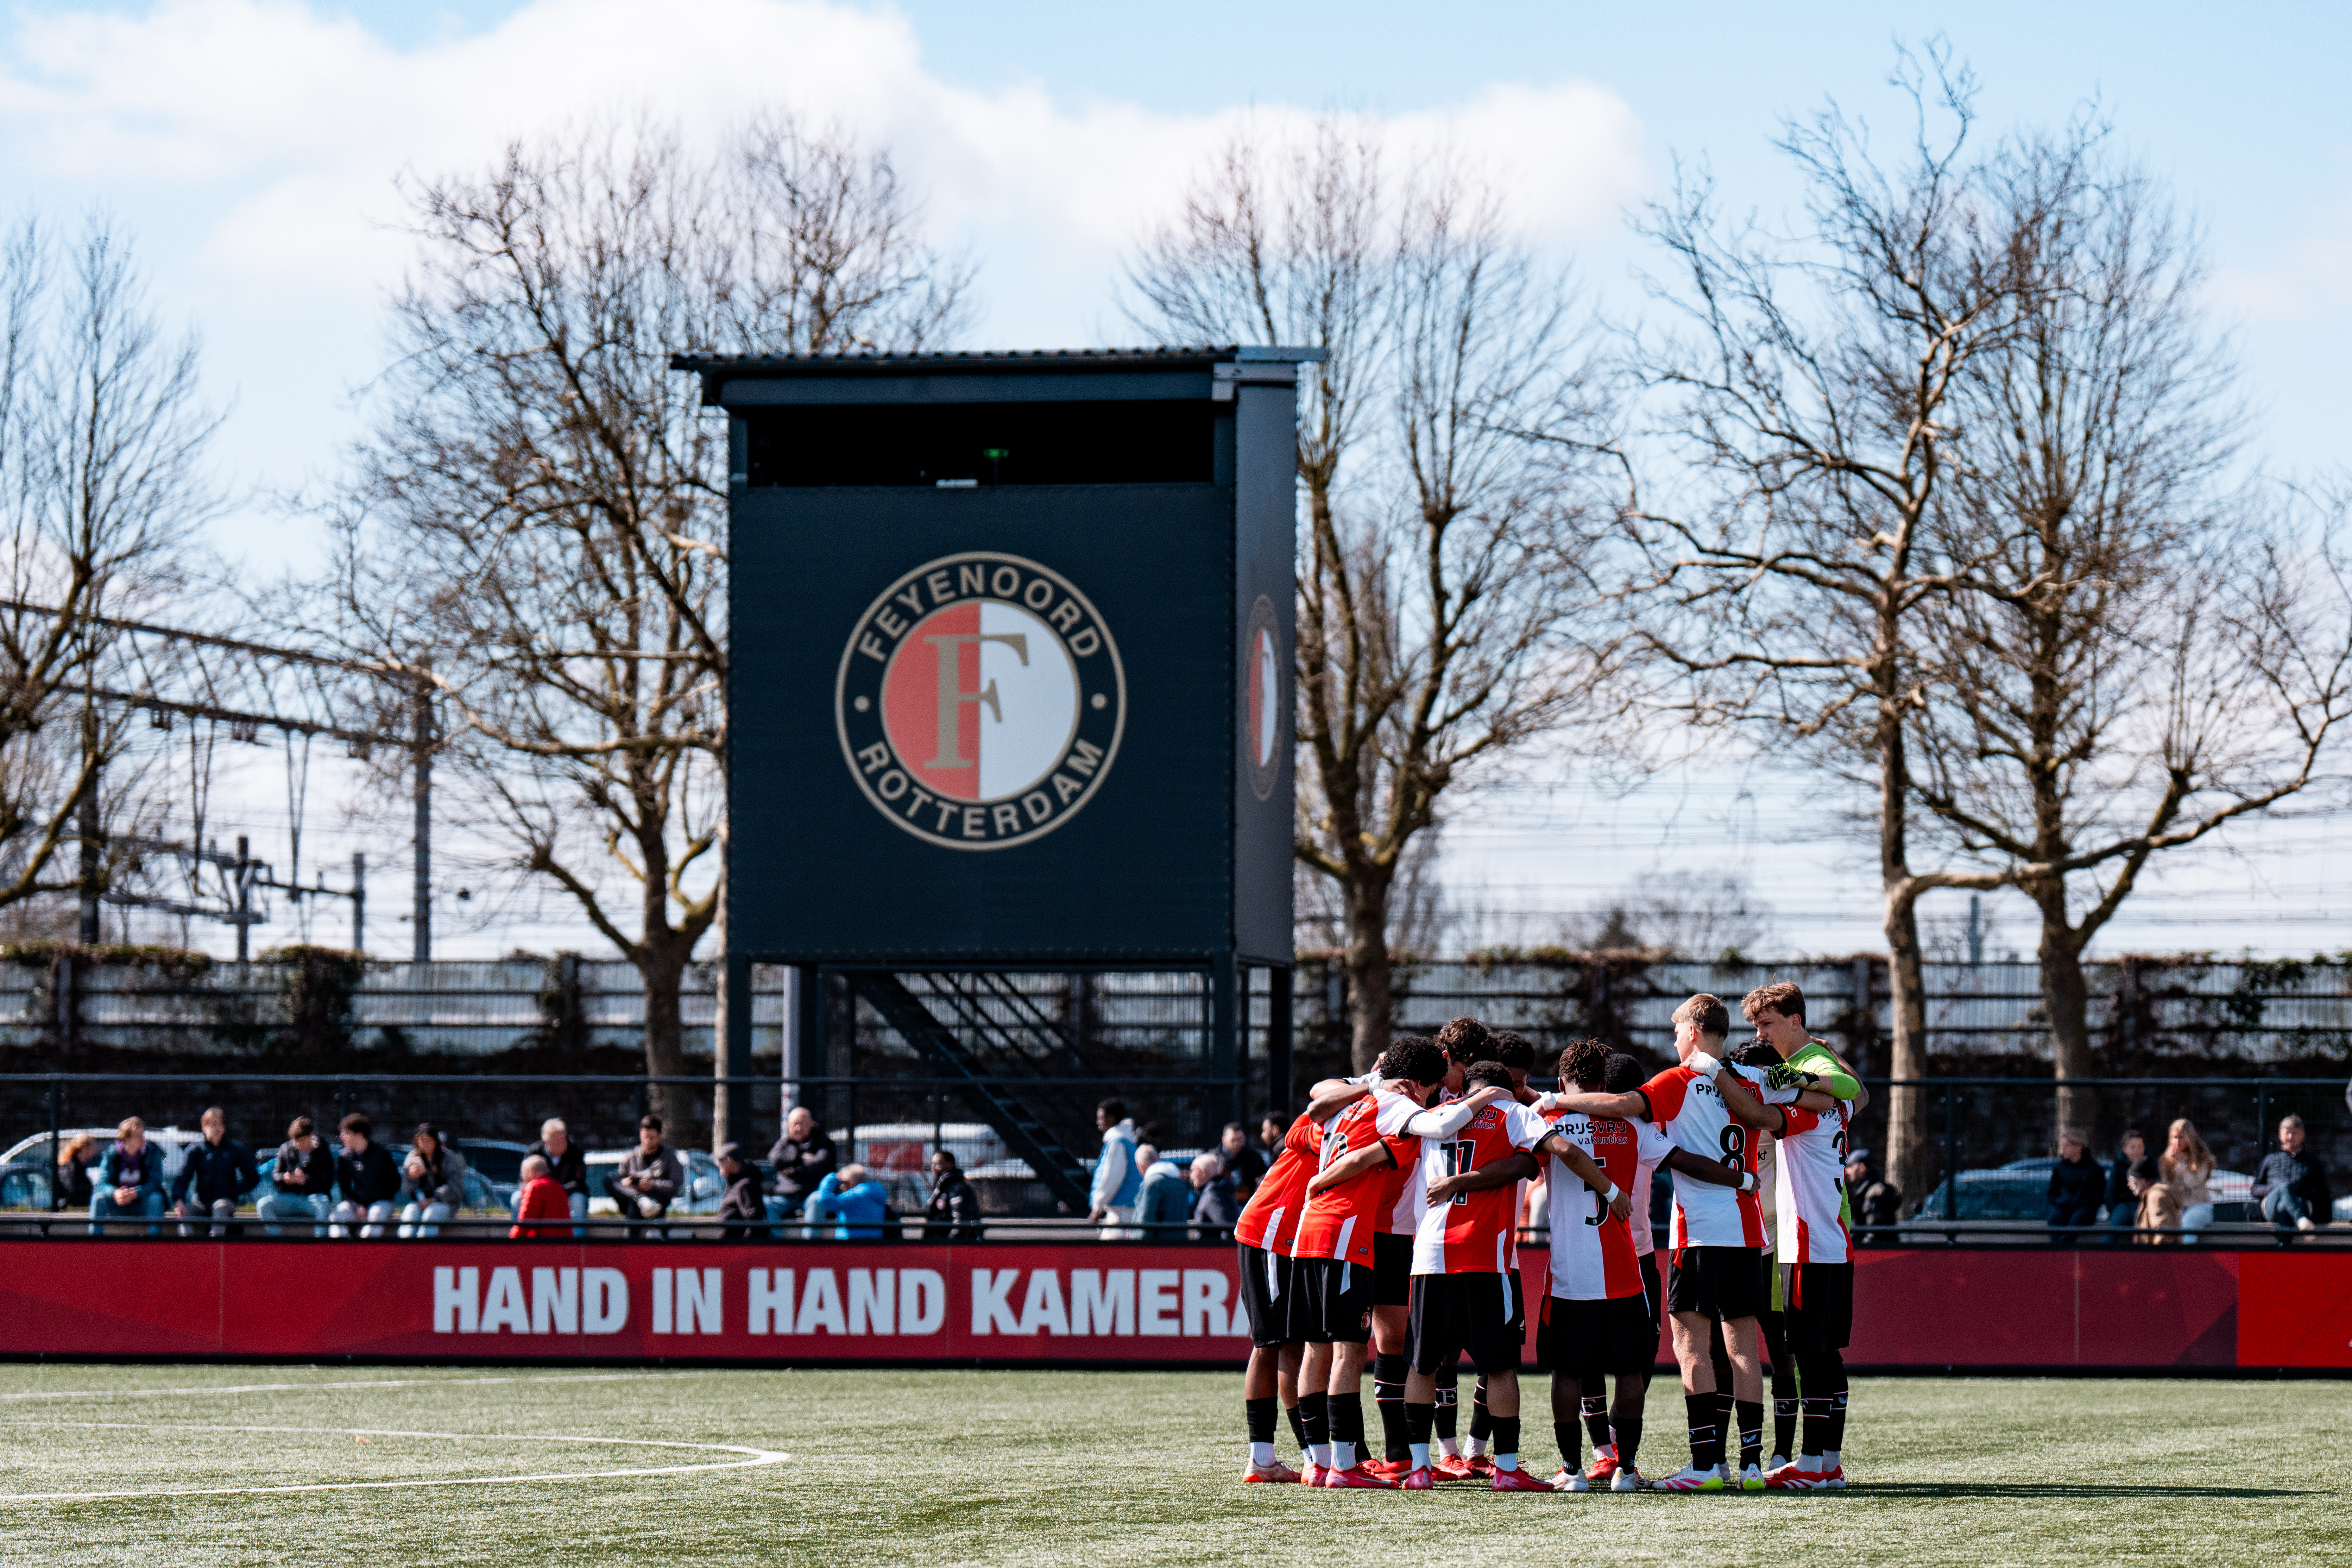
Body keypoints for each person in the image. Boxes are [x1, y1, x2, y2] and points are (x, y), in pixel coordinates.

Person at [1544, 993, 1826, 1491]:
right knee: (1743, 1347)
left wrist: (1556, 1099)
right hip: (1747, 1230)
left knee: (1690, 1345)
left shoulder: (1677, 1080)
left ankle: (1703, 1467)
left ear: (1693, 1031)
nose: (1673, 1039)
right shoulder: (1749, 1077)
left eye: (1675, 1030)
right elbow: (1833, 1098)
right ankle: (1752, 1464)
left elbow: (1618, 1104)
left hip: (1696, 1231)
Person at [1377, 1058, 1631, 1492]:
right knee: (1498, 1367)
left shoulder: (1431, 1116)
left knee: (1422, 1363)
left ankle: (1419, 1468)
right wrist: (1609, 1190)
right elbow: (1553, 1155)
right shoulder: (1512, 1113)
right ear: (1501, 1089)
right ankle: (1508, 1470)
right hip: (1483, 1256)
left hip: (1429, 1256)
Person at [1534, 1039, 1760, 1492]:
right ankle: (1627, 1470)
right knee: (1630, 1371)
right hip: (1625, 1270)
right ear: (1603, 1084)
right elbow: (1687, 1162)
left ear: (1564, 1085)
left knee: (1567, 1371)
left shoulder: (1546, 1123)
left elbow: (1522, 1163)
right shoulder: (1633, 1130)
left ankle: (1573, 1470)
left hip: (1567, 1275)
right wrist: (1742, 1178)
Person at [1285, 1037, 1457, 1489]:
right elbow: (1424, 1133)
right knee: (1350, 1350)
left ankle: (1317, 1462)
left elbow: (1312, 1112)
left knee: (1319, 1349)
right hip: (1346, 1236)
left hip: (1313, 1232)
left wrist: (1366, 1083)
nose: (1433, 1096)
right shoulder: (1399, 1108)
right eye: (1432, 1088)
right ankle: (1343, 1466)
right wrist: (1490, 1100)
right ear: (1416, 1083)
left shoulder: (1349, 1103)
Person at [170, 1106, 260, 1238]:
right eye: (213, 1125)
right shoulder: (196, 1150)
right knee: (185, 1213)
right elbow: (183, 1177)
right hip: (201, 1203)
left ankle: (214, 1249)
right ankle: (186, 1250)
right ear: (204, 1128)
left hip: (226, 1202)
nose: (217, 1129)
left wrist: (234, 1191)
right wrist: (179, 1201)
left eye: (221, 1125)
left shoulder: (235, 1149)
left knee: (220, 1207)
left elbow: (253, 1177)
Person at [2252, 1115, 2332, 1233]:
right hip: (2272, 1205)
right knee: (2284, 1187)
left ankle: (2284, 1247)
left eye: (2295, 1133)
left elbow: (2324, 1195)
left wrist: (2298, 1191)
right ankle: (2300, 1220)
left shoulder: (2313, 1162)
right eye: (2287, 1133)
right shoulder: (2270, 1160)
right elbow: (2255, 1190)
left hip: (2302, 1204)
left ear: (2303, 1135)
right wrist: (2276, 1189)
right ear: (2280, 1134)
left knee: (2284, 1208)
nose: (2290, 1137)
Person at [88, 1117, 168, 1235]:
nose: (143, 1139)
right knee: (98, 1199)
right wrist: (115, 1193)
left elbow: (156, 1182)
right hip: (119, 1205)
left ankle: (154, 1245)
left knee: (156, 1198)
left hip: (142, 1205)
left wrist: (136, 1192)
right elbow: (102, 1184)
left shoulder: (152, 1153)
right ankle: (94, 1246)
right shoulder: (112, 1155)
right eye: (138, 1136)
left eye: (143, 1135)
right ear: (126, 1139)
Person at [258, 1116, 336, 1235]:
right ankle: (277, 1243)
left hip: (313, 1200)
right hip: (289, 1198)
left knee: (324, 1204)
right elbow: (275, 1176)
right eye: (295, 1140)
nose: (297, 1144)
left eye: (301, 1140)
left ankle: (319, 1244)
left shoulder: (323, 1152)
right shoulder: (285, 1148)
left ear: (311, 1135)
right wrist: (285, 1178)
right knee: (263, 1204)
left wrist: (305, 1181)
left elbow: (326, 1184)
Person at [605, 1115, 683, 1232]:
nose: (648, 1141)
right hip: (633, 1196)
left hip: (656, 1201)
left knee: (634, 1207)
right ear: (640, 1133)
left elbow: (675, 1185)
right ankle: (640, 1199)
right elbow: (620, 1180)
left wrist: (652, 1185)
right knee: (609, 1180)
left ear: (660, 1135)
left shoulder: (670, 1157)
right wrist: (630, 1183)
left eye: (652, 1137)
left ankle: (632, 1247)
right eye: (645, 1137)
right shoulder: (631, 1157)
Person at [330, 1114, 402, 1238]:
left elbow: (395, 1184)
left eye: (346, 1133)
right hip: (356, 1205)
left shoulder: (382, 1155)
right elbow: (345, 1190)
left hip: (381, 1203)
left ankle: (364, 1256)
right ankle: (339, 1255)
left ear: (360, 1135)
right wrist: (357, 1206)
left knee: (373, 1222)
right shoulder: (344, 1158)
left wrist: (370, 1202)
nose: (342, 1137)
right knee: (337, 1216)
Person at [767, 1107, 837, 1230]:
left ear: (811, 1124)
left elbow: (821, 1164)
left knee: (817, 1200)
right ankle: (776, 1247)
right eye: (793, 1125)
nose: (797, 1128)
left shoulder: (824, 1143)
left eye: (800, 1124)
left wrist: (794, 1169)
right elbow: (774, 1159)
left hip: (811, 1193)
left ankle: (810, 1247)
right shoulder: (784, 1143)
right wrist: (801, 1159)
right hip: (785, 1196)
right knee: (767, 1204)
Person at [396, 1122, 470, 1238]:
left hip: (445, 1204)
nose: (424, 1144)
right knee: (410, 1214)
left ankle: (424, 1254)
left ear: (436, 1141)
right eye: (421, 1140)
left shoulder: (448, 1158)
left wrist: (435, 1198)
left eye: (428, 1140)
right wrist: (412, 1178)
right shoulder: (413, 1158)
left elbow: (456, 1188)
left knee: (430, 1216)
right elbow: (405, 1189)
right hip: (420, 1204)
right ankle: (405, 1252)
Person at [1086, 1098, 1142, 1237]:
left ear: (1111, 1119)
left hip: (1120, 1215)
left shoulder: (1117, 1144)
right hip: (1129, 1211)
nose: (1098, 1122)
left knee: (1111, 1256)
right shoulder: (1127, 1142)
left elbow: (1111, 1179)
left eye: (1101, 1118)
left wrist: (1097, 1208)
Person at [518, 1119, 590, 1226]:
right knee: (517, 1198)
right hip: (539, 1195)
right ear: (546, 1141)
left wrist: (556, 1191)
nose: (561, 1144)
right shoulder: (534, 1152)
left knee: (578, 1200)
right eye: (556, 1142)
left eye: (563, 1140)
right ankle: (519, 1240)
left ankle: (577, 1241)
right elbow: (523, 1181)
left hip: (568, 1195)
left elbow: (579, 1183)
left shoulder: (576, 1151)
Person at [2047, 1128, 2105, 1242]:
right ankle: (2059, 1249)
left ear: (2079, 1146)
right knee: (2055, 1218)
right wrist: (2060, 1201)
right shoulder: (2060, 1168)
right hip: (2063, 1207)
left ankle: (2059, 1250)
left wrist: (2086, 1202)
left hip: (2085, 1209)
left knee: (2078, 1219)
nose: (2063, 1150)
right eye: (2062, 1146)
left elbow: (2100, 1194)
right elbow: (2052, 1193)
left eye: (2067, 1146)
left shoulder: (2094, 1169)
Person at [2161, 1119, 2216, 1240]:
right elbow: (2166, 1187)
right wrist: (2175, 1209)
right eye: (2174, 1137)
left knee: (2188, 1223)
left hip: (2200, 1207)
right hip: (2177, 1208)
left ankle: (2186, 1258)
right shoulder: (2166, 1160)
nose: (2177, 1142)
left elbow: (2194, 1183)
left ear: (2190, 1138)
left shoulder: (2203, 1158)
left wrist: (2180, 1164)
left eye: (2181, 1138)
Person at [806, 1162, 888, 1239]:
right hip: (873, 1242)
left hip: (852, 1244)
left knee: (815, 1197)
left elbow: (827, 1201)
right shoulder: (874, 1191)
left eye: (843, 1183)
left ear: (852, 1181)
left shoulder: (858, 1195)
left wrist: (831, 1178)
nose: (841, 1187)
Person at [922, 1149, 982, 1242]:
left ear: (950, 1165)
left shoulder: (958, 1189)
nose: (933, 1167)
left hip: (949, 1249)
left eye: (938, 1164)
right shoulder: (943, 1188)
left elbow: (961, 1224)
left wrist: (949, 1246)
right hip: (937, 1246)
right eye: (932, 1164)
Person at [1134, 1143, 1192, 1239]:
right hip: (1180, 1245)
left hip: (1158, 1247)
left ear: (1140, 1166)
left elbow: (1146, 1222)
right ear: (1158, 1159)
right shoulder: (1180, 1183)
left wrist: (1136, 1241)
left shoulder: (1152, 1183)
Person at [712, 1143, 767, 1238]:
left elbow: (755, 1224)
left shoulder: (746, 1185)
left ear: (729, 1161)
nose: (721, 1172)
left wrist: (743, 1247)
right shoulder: (735, 1183)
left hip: (734, 1247)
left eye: (721, 1165)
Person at [511, 1154, 573, 1238]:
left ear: (531, 1173)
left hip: (543, 1244)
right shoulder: (557, 1187)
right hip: (565, 1243)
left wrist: (512, 1239)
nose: (522, 1177)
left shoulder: (535, 1187)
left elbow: (526, 1222)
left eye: (523, 1173)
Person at [1846, 1150, 1902, 1240]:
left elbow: (1875, 1234)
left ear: (1862, 1167)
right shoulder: (1867, 1192)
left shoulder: (1875, 1193)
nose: (1848, 1172)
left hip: (1878, 1252)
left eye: (1851, 1167)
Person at [2105, 1129, 2149, 1235]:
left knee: (2142, 1230)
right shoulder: (2118, 1166)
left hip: (2143, 1205)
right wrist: (2114, 1211)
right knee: (2113, 1229)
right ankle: (2107, 1251)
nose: (2137, 1151)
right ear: (2124, 1149)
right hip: (2122, 1205)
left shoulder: (2149, 1165)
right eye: (2133, 1147)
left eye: (2140, 1147)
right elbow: (2110, 1192)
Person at [1190, 1152, 1242, 1240]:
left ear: (1203, 1172)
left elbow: (1227, 1228)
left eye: (1193, 1170)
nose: (1191, 1176)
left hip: (1211, 1251)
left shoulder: (1213, 1196)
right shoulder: (1221, 1190)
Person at [2130, 1157, 2180, 1242]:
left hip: (2158, 1254)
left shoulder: (2156, 1197)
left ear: (2143, 1180)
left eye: (2131, 1179)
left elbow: (2164, 1234)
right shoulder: (2147, 1196)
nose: (2129, 1184)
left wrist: (2156, 1254)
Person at [54, 1132, 97, 1212]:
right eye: (93, 1147)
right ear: (85, 1147)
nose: (95, 1151)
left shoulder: (81, 1167)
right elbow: (71, 1192)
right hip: (71, 1214)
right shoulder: (71, 1168)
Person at [1219, 1121, 1267, 1190]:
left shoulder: (1254, 1157)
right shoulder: (1216, 1159)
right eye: (1233, 1141)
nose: (1237, 1144)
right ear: (1224, 1140)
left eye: (1240, 1140)